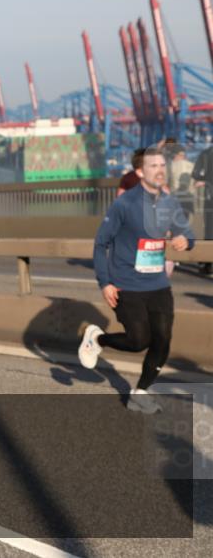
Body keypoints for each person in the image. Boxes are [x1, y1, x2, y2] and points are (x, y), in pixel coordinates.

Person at [78, 148, 195, 414]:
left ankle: (140, 392)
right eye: (153, 166)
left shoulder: (170, 203)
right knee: (138, 340)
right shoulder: (124, 204)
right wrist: (104, 282)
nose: (160, 170)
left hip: (158, 286)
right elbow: (101, 244)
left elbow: (188, 235)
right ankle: (98, 340)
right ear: (140, 172)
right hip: (126, 283)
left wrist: (185, 240)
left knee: (163, 341)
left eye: (162, 165)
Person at [191, 144, 213, 275]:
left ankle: (208, 263)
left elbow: (196, 173)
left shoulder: (206, 153)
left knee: (210, 229)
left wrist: (205, 179)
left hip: (210, 197)